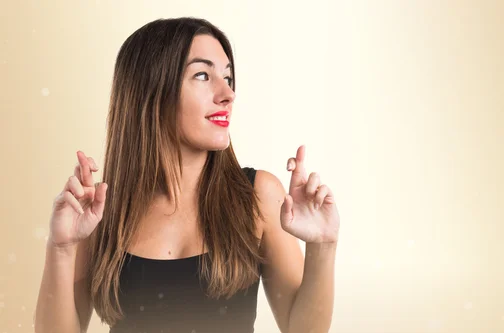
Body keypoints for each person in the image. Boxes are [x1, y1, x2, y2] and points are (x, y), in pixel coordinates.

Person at [34, 17, 340, 333]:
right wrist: (61, 248)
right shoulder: (99, 211)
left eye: (228, 77)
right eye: (203, 75)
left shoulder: (259, 195)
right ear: (151, 90)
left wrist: (324, 246)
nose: (227, 94)